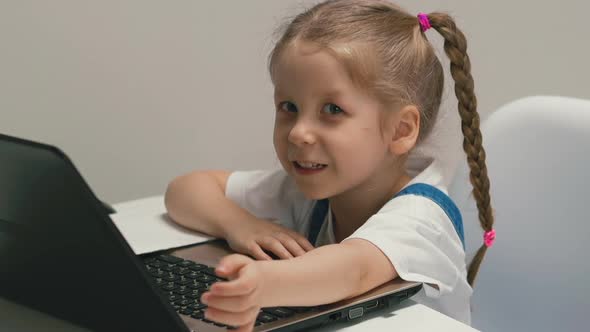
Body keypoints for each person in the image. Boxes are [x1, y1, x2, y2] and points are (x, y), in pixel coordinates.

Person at [164, 0, 496, 330]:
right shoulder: (309, 189)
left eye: (332, 110)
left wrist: (262, 284)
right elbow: (185, 191)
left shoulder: (423, 220)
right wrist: (240, 225)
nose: (298, 132)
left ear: (401, 130)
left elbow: (353, 270)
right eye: (289, 106)